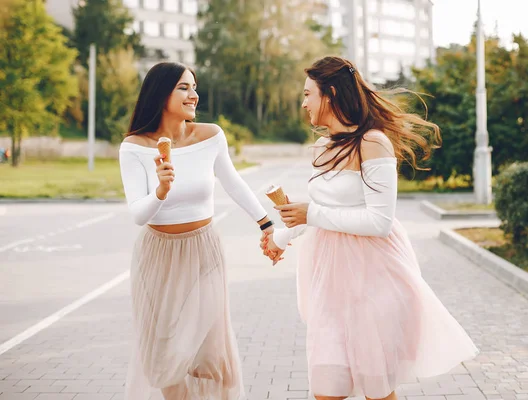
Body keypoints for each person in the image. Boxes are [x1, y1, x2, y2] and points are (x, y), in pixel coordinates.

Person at [261, 56, 479, 400]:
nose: (303, 103)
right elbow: (319, 213)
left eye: (308, 94)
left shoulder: (373, 143)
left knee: (377, 392)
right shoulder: (322, 148)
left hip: (374, 280)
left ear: (330, 94)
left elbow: (379, 222)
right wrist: (280, 238)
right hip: (329, 285)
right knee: (326, 390)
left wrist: (311, 214)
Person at [119, 62, 274, 400]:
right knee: (163, 352)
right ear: (161, 94)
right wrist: (159, 191)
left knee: (207, 352)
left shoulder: (211, 136)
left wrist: (266, 223)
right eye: (184, 88)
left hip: (204, 251)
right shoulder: (134, 146)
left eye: (194, 86)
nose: (195, 94)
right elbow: (137, 214)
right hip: (157, 255)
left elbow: (233, 183)